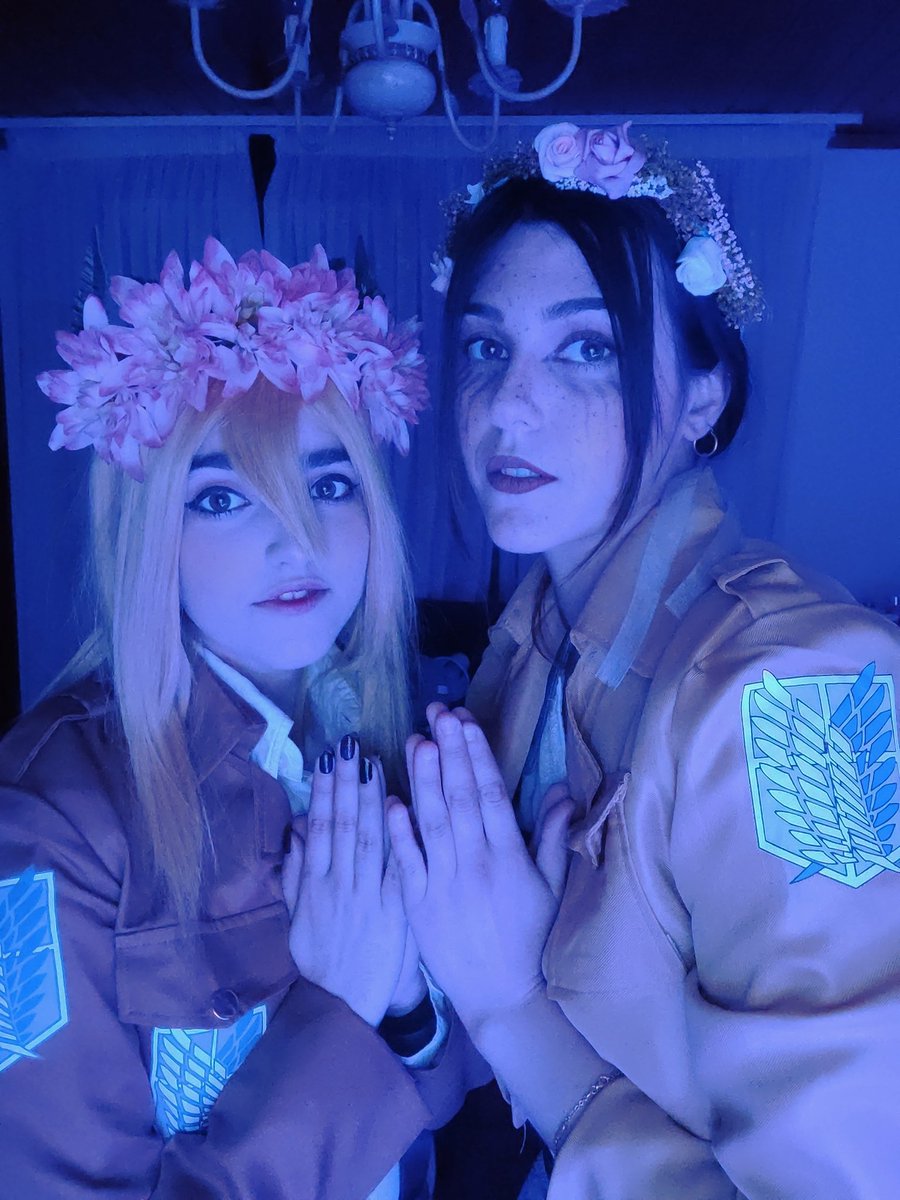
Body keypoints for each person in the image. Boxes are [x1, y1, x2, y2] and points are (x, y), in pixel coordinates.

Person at [389, 122, 900, 1198]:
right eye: (485, 347)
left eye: (587, 348)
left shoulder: (786, 689)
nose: (507, 406)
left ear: (703, 395)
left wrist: (513, 1011)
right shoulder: (525, 647)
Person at [0, 238, 482, 1198]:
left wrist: (404, 1010)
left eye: (329, 484)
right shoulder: (52, 817)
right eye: (222, 497)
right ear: (149, 533)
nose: (295, 536)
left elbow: (445, 1082)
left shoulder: (392, 740)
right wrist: (337, 1013)